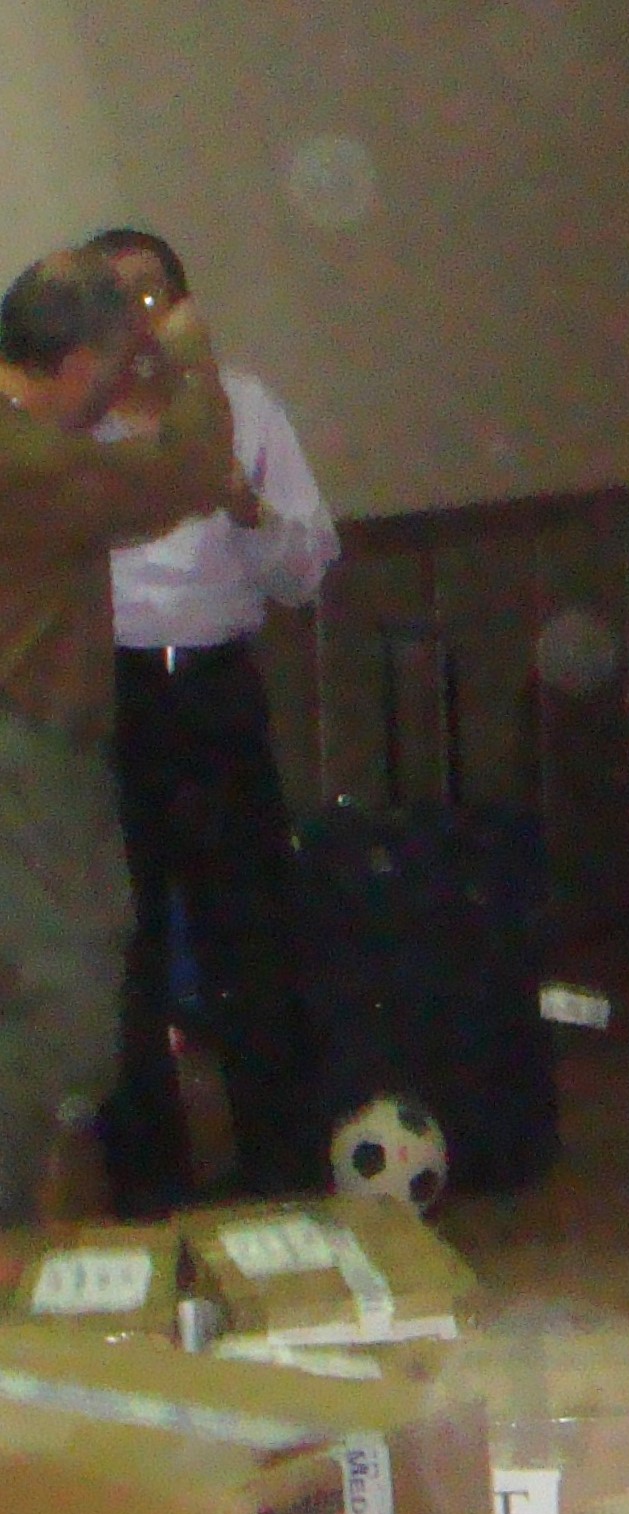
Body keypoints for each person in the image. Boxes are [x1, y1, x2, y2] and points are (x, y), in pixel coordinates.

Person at [83, 228, 337, 1210]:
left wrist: (243, 508)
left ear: (186, 307)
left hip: (215, 690)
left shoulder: (246, 405)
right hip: (105, 697)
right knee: (125, 948)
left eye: (155, 296)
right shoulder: (70, 421)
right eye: (116, 299)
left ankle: (280, 1168)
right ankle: (146, 1182)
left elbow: (307, 571)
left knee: (252, 933)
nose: (138, 319)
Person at [0, 247, 233, 1224]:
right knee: (69, 1004)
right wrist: (187, 345)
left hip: (44, 748)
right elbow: (192, 468)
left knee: (67, 988)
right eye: (116, 360)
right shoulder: (33, 460)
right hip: (24, 752)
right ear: (85, 363)